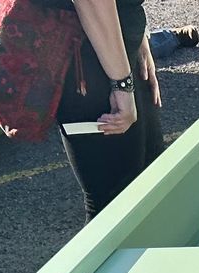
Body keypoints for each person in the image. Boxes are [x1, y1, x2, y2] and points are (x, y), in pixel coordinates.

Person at [56, 0, 165, 219]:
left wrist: (138, 37)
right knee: (113, 206)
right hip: (86, 58)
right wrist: (122, 85)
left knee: (146, 184)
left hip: (113, 49)